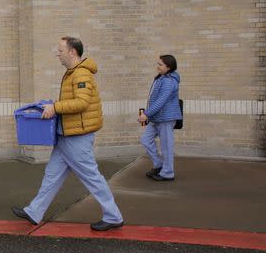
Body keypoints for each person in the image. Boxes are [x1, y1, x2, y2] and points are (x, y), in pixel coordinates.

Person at [12, 37, 124, 231]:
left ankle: (113, 216)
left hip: (77, 138)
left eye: (60, 50)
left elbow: (82, 103)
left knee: (92, 177)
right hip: (67, 135)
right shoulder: (72, 73)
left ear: (72, 52)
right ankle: (34, 211)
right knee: (51, 175)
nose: (58, 53)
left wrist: (55, 107)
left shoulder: (81, 74)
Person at [139, 55, 181, 182]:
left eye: (161, 64)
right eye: (158, 63)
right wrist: (149, 114)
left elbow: (161, 100)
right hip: (156, 117)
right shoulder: (161, 78)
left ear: (169, 67)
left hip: (166, 118)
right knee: (145, 140)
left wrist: (146, 114)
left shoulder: (169, 81)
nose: (158, 66)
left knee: (166, 146)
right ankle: (159, 164)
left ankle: (168, 173)